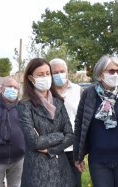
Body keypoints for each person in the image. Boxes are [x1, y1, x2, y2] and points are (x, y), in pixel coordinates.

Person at [73, 55, 118, 187]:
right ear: (100, 73)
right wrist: (78, 155)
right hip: (99, 160)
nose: (116, 74)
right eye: (111, 71)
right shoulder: (88, 94)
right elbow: (79, 124)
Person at [17, 58, 75, 187]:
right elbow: (34, 142)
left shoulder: (58, 102)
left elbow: (70, 135)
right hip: (38, 173)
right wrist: (60, 135)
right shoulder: (24, 105)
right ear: (31, 78)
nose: (46, 77)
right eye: (40, 74)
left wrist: (51, 150)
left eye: (48, 73)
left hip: (62, 170)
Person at [0, 76, 25, 187]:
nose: (12, 89)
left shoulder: (23, 106)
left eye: (15, 87)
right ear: (2, 88)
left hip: (18, 159)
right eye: (9, 86)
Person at [50, 58, 82, 187]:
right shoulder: (45, 92)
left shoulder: (78, 90)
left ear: (67, 72)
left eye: (62, 71)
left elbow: (82, 119)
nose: (59, 74)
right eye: (55, 72)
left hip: (73, 148)